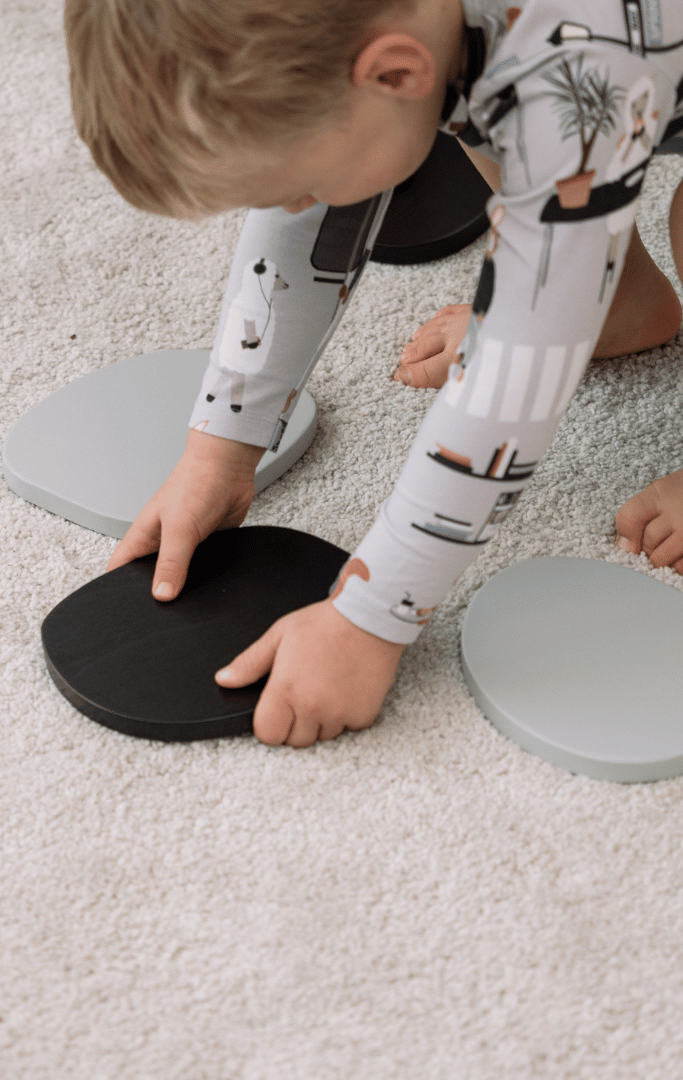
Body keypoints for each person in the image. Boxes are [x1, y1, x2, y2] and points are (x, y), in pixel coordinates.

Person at [64, 0, 683, 746]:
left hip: (591, 68)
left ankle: (566, 284)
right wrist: (220, 447)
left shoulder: (566, 74)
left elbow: (511, 382)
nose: (295, 203)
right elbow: (310, 224)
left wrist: (371, 616)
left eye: (297, 184)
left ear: (395, 70)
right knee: (475, 114)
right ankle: (604, 295)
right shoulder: (406, 42)